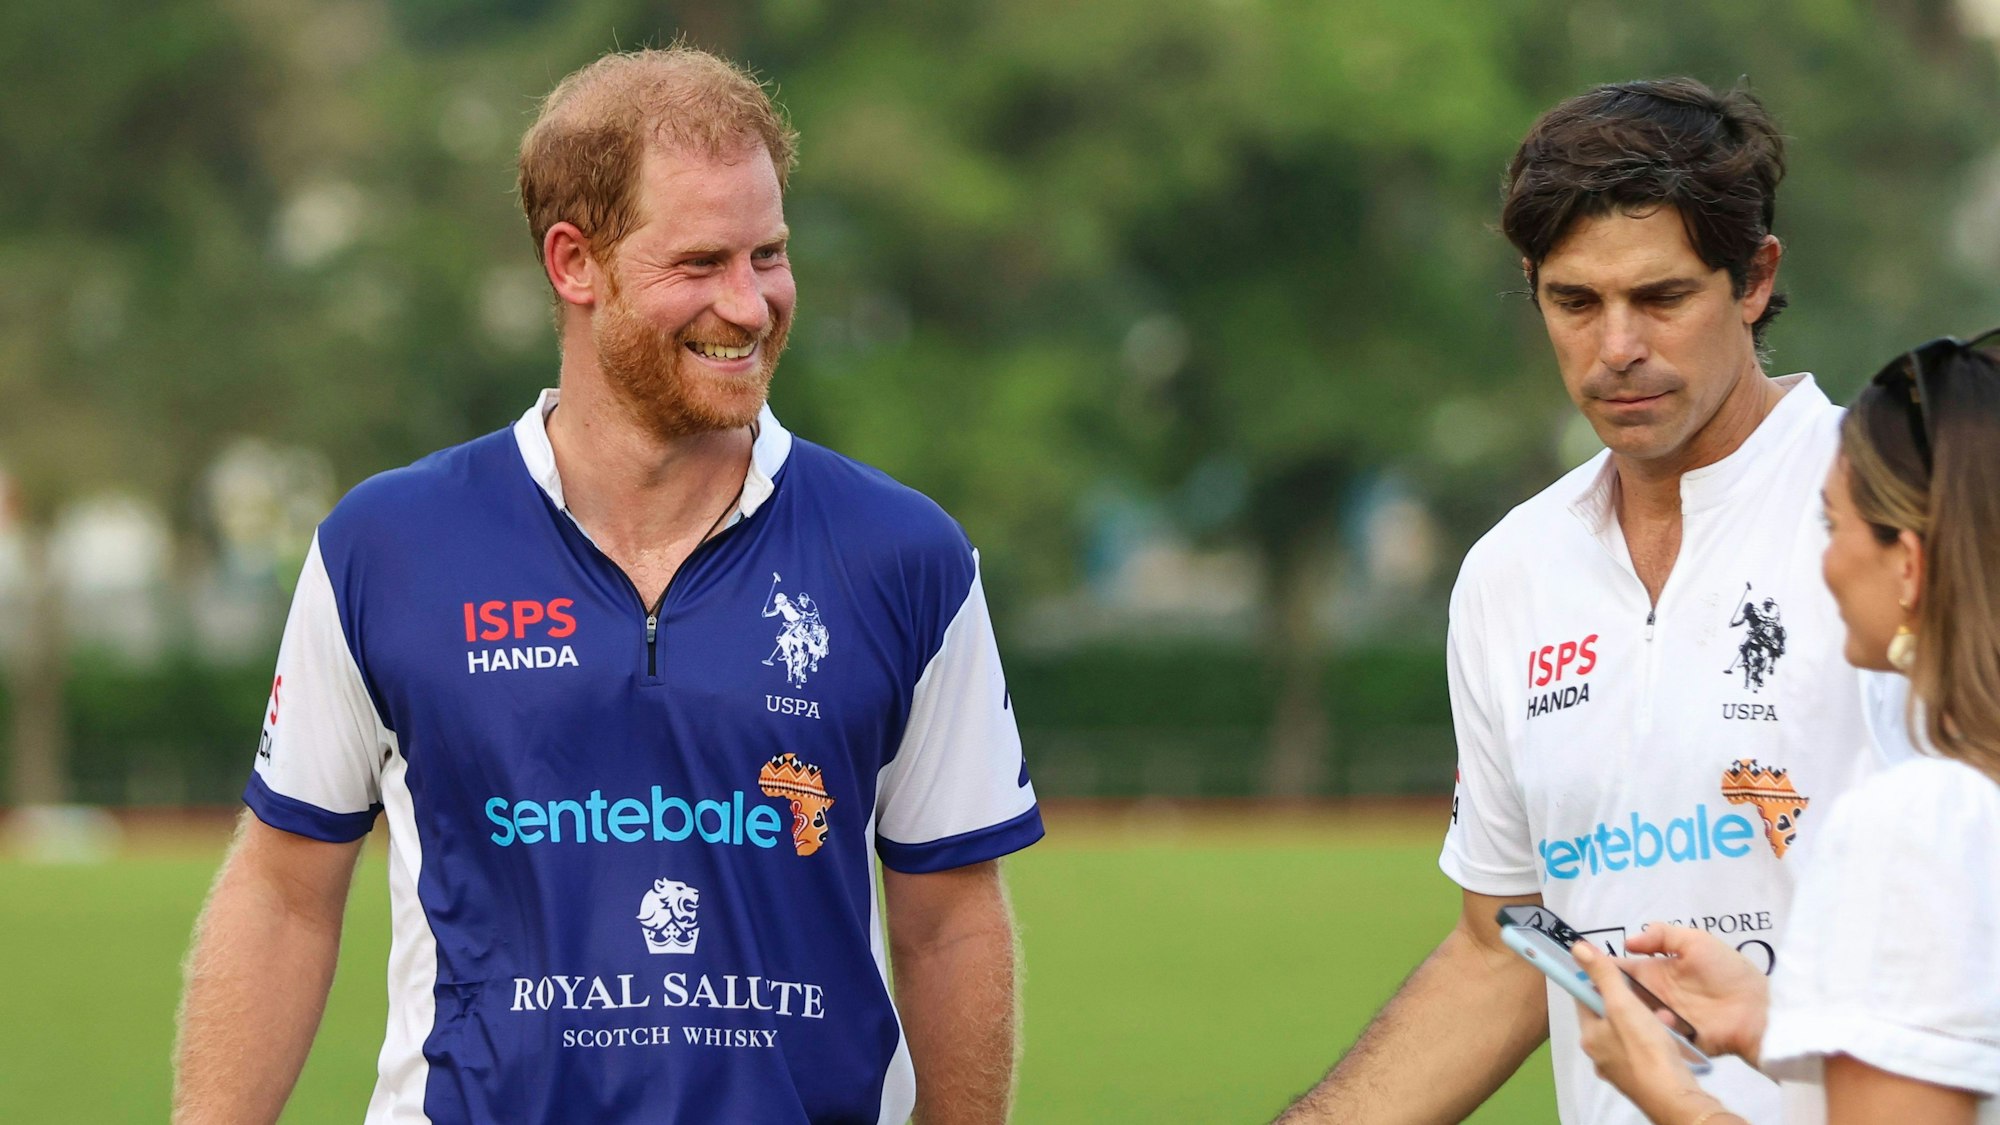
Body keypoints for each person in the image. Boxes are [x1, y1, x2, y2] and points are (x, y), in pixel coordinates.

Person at [172, 46, 1043, 1125]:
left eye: (768, 254)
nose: (750, 304)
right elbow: (284, 894)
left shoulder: (903, 555)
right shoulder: (385, 547)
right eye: (700, 262)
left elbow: (948, 920)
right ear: (574, 262)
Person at [1277, 78, 1886, 1124]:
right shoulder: (1510, 573)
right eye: (1574, 302)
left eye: (1661, 298)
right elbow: (1503, 947)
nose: (1616, 349)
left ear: (1754, 279)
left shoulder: (1905, 517)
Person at [1575, 330, 2000, 1124]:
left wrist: (1675, 1100)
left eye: (1832, 525)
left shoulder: (1923, 817)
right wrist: (1774, 1023)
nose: (1823, 562)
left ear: (1908, 564)